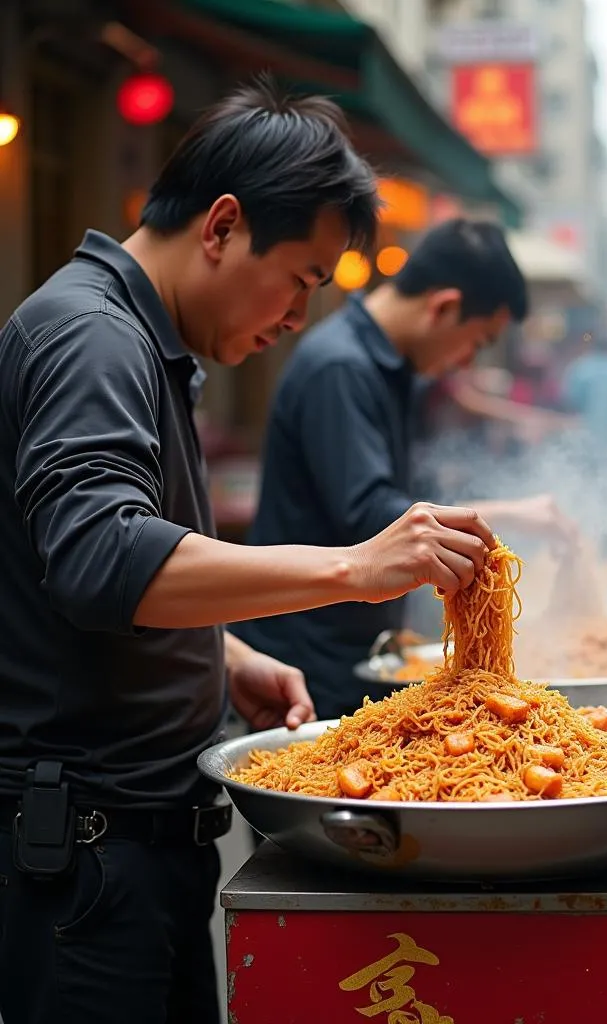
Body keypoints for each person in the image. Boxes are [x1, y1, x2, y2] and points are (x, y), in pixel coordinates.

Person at [0, 79, 501, 1024]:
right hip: (89, 861)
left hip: (139, 851)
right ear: (223, 227)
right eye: (304, 280)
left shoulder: (148, 343)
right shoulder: (93, 336)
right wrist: (355, 566)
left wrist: (219, 656)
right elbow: (99, 557)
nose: (298, 317)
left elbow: (56, 565)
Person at [235, 219, 576, 720]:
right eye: (477, 342)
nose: (465, 360)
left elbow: (414, 485)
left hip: (351, 645)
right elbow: (373, 514)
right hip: (309, 662)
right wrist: (513, 514)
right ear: (445, 307)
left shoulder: (391, 368)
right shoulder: (341, 367)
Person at [561, 332, 607, 555]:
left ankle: (583, 538)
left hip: (583, 442)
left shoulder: (580, 369)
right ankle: (605, 540)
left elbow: (569, 403)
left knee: (583, 490)